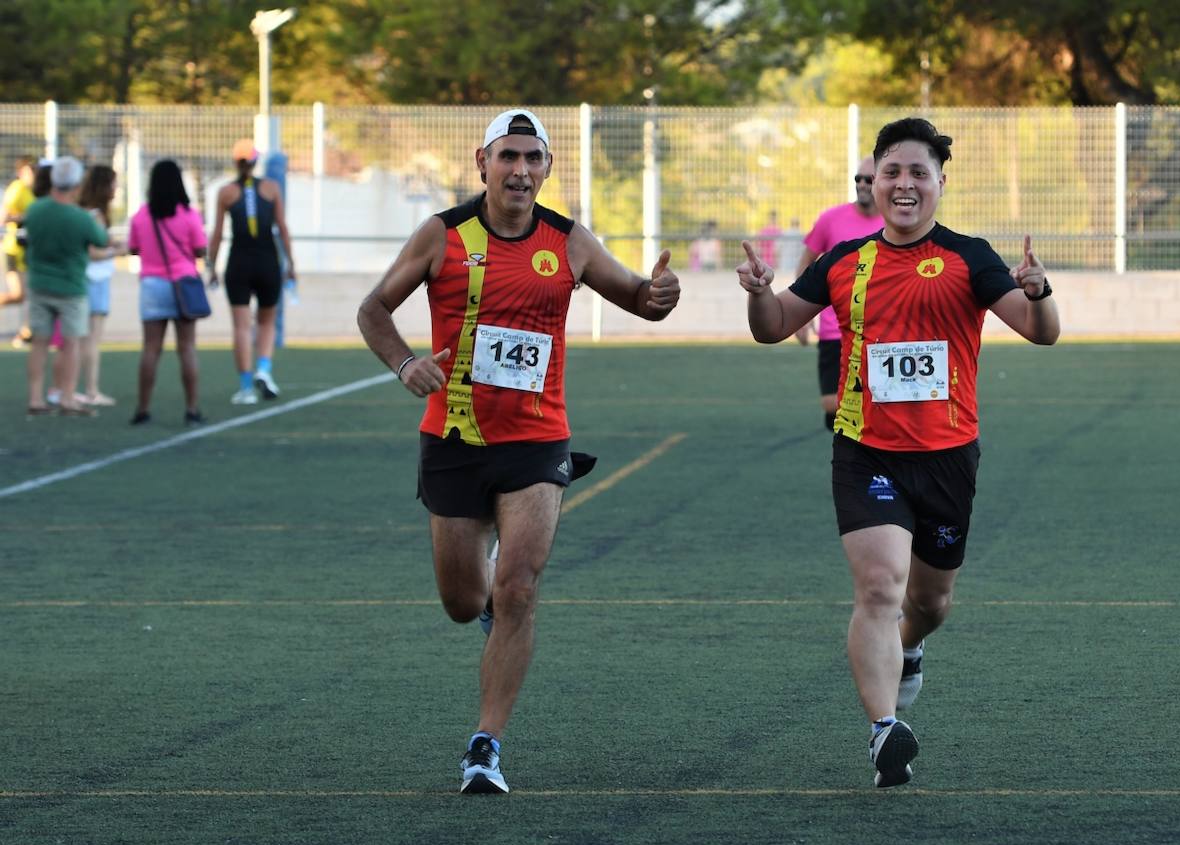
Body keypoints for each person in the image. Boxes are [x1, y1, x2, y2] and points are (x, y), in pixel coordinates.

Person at [357, 109, 679, 795]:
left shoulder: (568, 242)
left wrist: (662, 295)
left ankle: (485, 746)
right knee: (462, 599)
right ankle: (488, 592)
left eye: (534, 158)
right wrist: (405, 363)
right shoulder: (443, 236)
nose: (522, 170)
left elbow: (641, 302)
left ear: (548, 168)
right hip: (454, 441)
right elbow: (373, 310)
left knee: (519, 591)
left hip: (536, 441)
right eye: (509, 156)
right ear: (483, 162)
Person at [737, 117, 1061, 788]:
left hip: (948, 456)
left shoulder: (971, 257)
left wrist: (1039, 292)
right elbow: (773, 331)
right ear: (874, 182)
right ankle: (885, 731)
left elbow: (1039, 332)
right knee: (880, 586)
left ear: (940, 183)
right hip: (868, 452)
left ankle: (910, 648)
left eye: (919, 173)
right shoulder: (842, 261)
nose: (904, 184)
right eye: (892, 172)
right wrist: (760, 293)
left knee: (931, 602)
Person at [793, 157, 885, 429]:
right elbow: (805, 262)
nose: (862, 185)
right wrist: (801, 313)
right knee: (832, 405)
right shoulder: (830, 220)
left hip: (879, 332)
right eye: (858, 179)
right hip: (837, 329)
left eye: (869, 179)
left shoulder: (894, 222)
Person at [207, 139, 296, 405]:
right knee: (267, 321)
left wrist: (211, 267)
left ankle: (246, 387)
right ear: (256, 162)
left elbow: (218, 234)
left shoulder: (225, 192)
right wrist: (291, 264)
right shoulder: (272, 188)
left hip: (239, 263)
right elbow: (282, 228)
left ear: (236, 162)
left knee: (241, 327)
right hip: (268, 261)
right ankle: (264, 370)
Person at [22, 156, 112, 417]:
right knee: (70, 344)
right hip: (71, 287)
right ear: (75, 185)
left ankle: (36, 398)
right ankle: (68, 397)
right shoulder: (80, 218)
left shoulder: (35, 210)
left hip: (39, 283)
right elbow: (100, 240)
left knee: (39, 343)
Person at [126, 159, 208, 426]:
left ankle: (143, 409)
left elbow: (134, 248)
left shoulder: (141, 215)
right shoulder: (188, 215)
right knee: (187, 348)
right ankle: (192, 409)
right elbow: (200, 249)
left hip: (152, 285)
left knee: (151, 349)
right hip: (183, 284)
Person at [76, 164, 122, 406]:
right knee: (91, 339)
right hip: (94, 279)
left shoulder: (85, 212)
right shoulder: (94, 215)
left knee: (82, 338)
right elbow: (93, 252)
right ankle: (91, 390)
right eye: (113, 183)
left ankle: (75, 389)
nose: (116, 188)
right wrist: (116, 251)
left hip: (89, 278)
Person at [3, 157, 37, 348]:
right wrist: (26, 217)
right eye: (29, 170)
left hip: (26, 249)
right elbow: (5, 217)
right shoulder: (16, 189)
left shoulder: (30, 192)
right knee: (19, 294)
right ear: (21, 172)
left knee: (29, 293)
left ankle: (26, 332)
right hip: (12, 249)